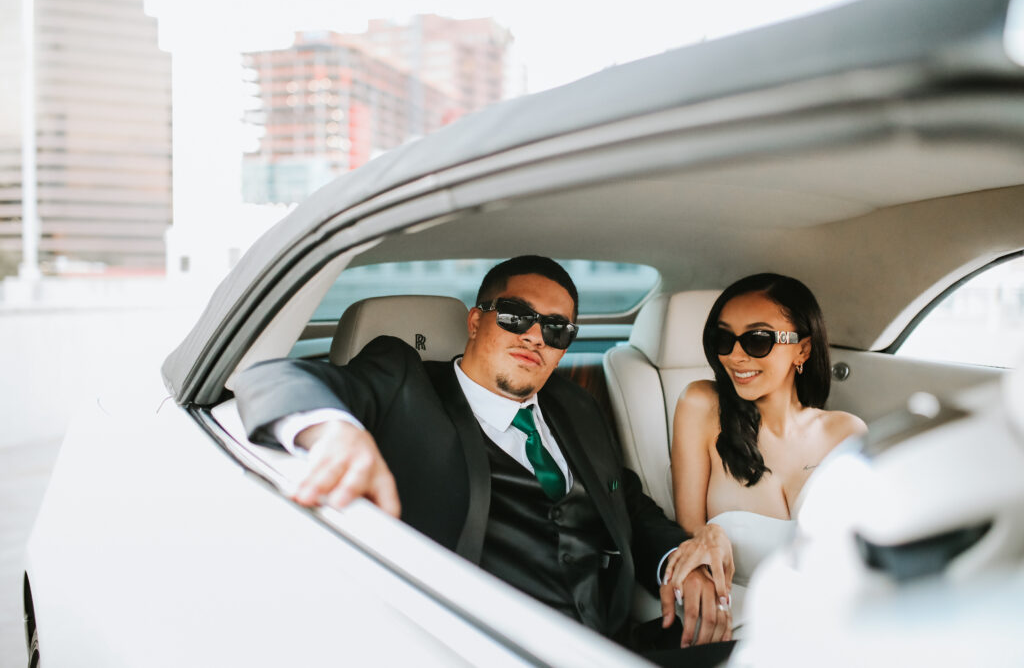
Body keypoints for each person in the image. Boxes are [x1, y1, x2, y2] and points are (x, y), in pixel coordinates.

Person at [234, 256, 735, 664]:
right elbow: (270, 378)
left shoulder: (575, 406)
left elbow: (625, 501)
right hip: (480, 648)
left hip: (613, 644)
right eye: (517, 316)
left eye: (557, 329)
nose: (536, 336)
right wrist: (333, 430)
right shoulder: (405, 382)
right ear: (476, 321)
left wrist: (679, 559)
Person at [664, 273, 867, 632]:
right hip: (738, 629)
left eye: (757, 340)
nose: (735, 356)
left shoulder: (846, 431)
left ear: (802, 349)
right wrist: (705, 535)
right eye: (723, 339)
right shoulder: (701, 405)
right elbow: (688, 529)